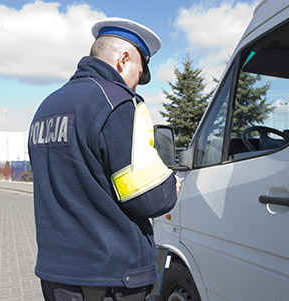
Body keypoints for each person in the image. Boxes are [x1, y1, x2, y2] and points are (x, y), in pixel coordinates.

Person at [28, 17, 180, 301]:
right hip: (110, 279)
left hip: (56, 275)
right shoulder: (117, 103)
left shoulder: (46, 107)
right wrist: (171, 187)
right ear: (123, 59)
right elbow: (148, 197)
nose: (137, 85)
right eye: (139, 71)